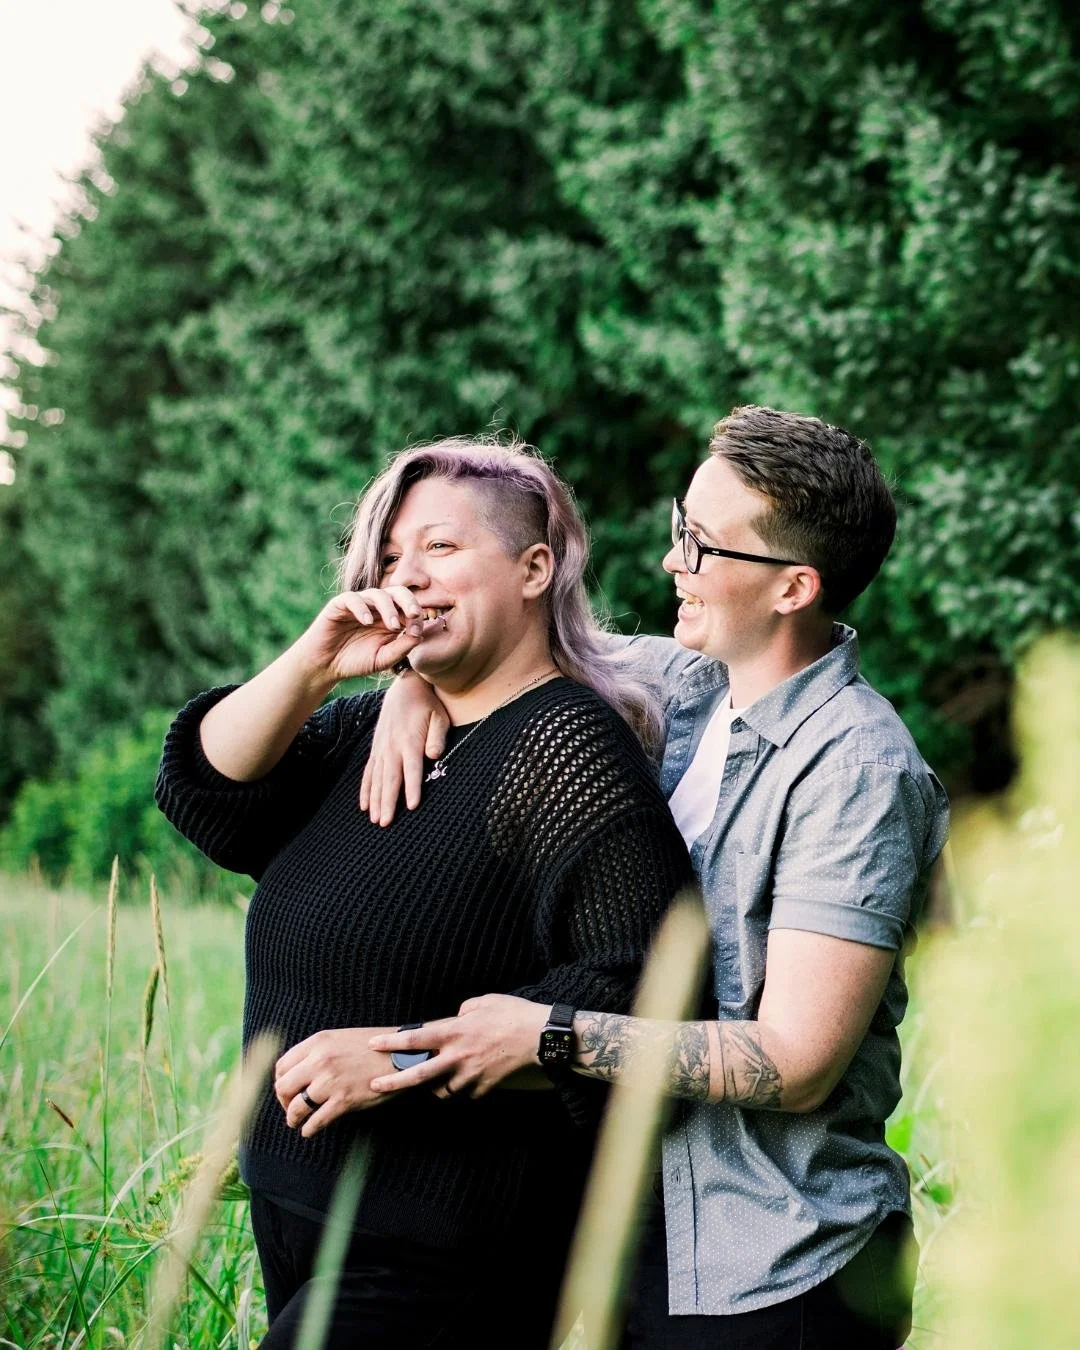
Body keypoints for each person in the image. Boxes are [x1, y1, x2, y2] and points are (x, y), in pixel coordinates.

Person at [364, 407, 950, 1348]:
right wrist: (413, 684)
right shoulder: (676, 684)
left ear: (794, 587)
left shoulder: (857, 772)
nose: (674, 559)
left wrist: (550, 1037)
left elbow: (796, 1062)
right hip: (642, 1241)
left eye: (703, 544)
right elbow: (510, 645)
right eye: (682, 526)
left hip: (780, 1265)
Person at [154, 438, 694, 1349]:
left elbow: (639, 993)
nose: (406, 576)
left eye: (440, 547)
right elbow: (206, 794)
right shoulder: (372, 723)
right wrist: (319, 664)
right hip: (305, 1212)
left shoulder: (565, 748)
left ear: (535, 570)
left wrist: (399, 1061)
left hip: (446, 1252)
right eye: (392, 555)